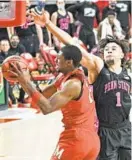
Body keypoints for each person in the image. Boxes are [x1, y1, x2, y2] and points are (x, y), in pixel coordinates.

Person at [30, 11, 131, 160]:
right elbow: (73, 45)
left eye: (114, 48)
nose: (109, 50)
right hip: (105, 131)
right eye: (106, 49)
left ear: (123, 54)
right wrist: (49, 25)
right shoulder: (98, 68)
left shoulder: (128, 74)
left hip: (125, 129)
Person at [9, 44, 100, 160]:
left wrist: (25, 83)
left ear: (69, 62)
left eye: (58, 58)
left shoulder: (73, 84)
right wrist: (26, 80)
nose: (55, 60)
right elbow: (43, 94)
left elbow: (47, 108)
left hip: (76, 138)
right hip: (91, 140)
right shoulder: (64, 76)